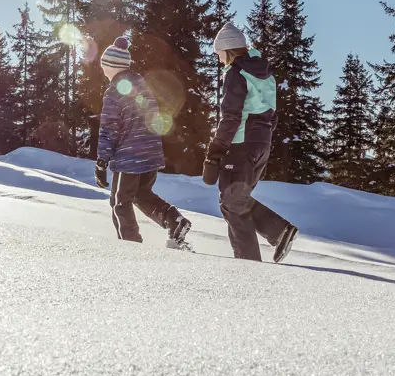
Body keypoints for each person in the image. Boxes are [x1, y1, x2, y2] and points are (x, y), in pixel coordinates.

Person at [203, 23, 298, 263]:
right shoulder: (263, 74)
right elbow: (272, 113)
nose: (219, 59)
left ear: (228, 50)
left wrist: (215, 151)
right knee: (233, 201)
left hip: (241, 143)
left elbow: (231, 116)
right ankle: (277, 233)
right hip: (261, 144)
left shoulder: (236, 72)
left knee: (233, 202)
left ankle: (250, 266)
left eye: (219, 54)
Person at [94, 36, 192, 248]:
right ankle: (174, 220)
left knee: (120, 203)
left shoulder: (114, 91)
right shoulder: (141, 85)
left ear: (112, 67)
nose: (102, 70)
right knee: (141, 195)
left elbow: (109, 128)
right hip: (150, 153)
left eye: (104, 66)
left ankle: (131, 248)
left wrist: (101, 161)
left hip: (129, 157)